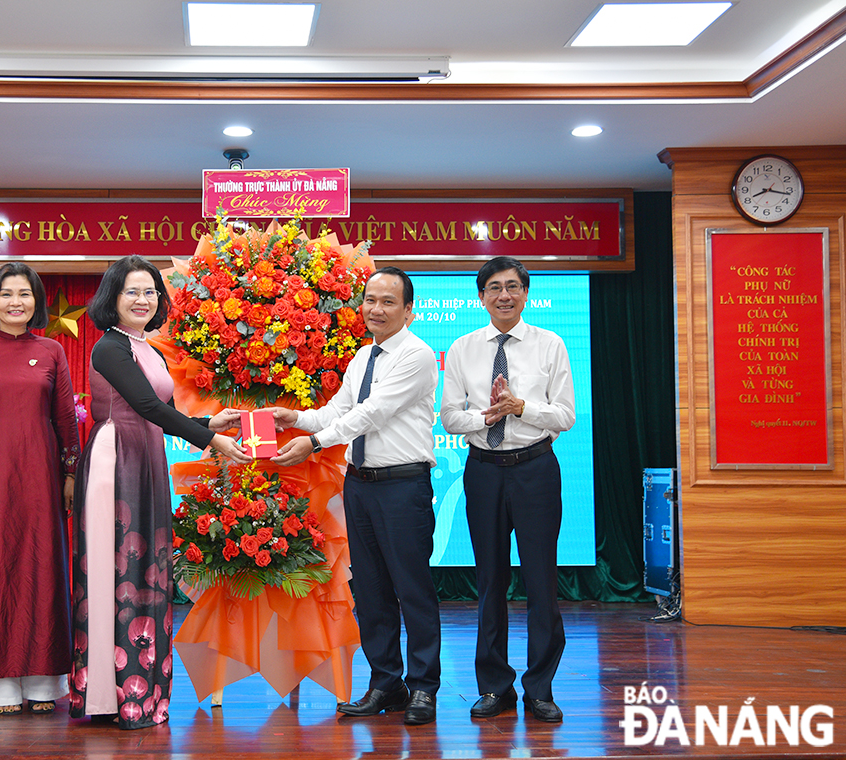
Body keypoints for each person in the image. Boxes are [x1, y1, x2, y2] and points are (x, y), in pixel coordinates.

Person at [68, 255, 249, 729]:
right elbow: (145, 404)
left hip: (147, 456)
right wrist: (210, 441)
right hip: (116, 458)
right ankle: (109, 695)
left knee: (146, 569)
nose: (143, 300)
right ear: (113, 297)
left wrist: (212, 422)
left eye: (150, 291)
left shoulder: (149, 348)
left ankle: (142, 693)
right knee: (117, 568)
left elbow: (164, 410)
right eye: (132, 291)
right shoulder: (108, 347)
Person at [269, 266, 441, 726]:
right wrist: (297, 419)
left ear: (409, 309)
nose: (376, 309)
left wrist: (318, 442)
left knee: (412, 590)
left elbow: (373, 412)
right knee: (369, 592)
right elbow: (336, 411)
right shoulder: (361, 358)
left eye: (388, 302)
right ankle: (388, 682)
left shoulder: (418, 355)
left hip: (403, 486)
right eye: (370, 300)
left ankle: (424, 687)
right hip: (361, 486)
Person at [440, 256, 575, 724]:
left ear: (525, 294)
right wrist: (487, 417)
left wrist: (522, 408)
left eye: (513, 287)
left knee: (541, 581)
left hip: (536, 468)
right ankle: (494, 687)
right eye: (494, 287)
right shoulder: (462, 349)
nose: (504, 295)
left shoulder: (550, 344)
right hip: (483, 470)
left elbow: (565, 415)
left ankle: (540, 687)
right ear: (481, 297)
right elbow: (450, 417)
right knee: (490, 581)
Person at [0, 262, 81, 716]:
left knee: (42, 566)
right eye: (6, 294)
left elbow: (65, 418)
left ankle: (44, 682)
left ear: (36, 301)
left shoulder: (52, 351)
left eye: (24, 294)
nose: (16, 302)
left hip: (42, 473)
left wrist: (70, 473)